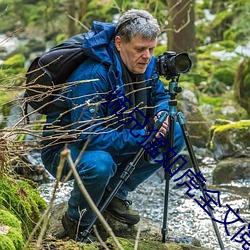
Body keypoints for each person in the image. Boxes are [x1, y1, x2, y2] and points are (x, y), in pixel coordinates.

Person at [41, 9, 185, 241]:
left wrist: (161, 115)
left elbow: (159, 96)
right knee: (100, 164)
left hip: (117, 134)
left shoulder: (145, 64)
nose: (147, 56)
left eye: (152, 49)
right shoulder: (92, 75)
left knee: (174, 132)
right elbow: (87, 136)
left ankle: (115, 193)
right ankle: (76, 221)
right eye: (140, 49)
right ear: (119, 43)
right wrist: (143, 135)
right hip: (66, 150)